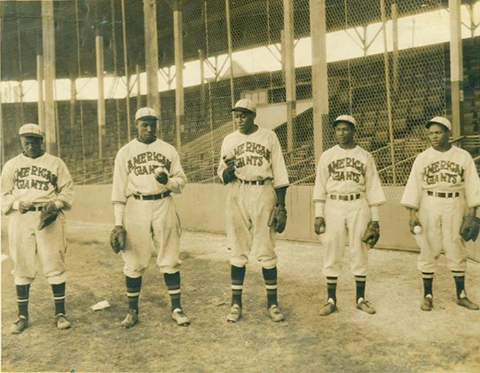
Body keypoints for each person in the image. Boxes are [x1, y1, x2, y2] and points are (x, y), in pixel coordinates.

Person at [111, 107, 190, 328]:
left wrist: (168, 181)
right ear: (136, 125)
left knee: (170, 256)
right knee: (134, 259)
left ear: (157, 124)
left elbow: (181, 182)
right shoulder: (125, 152)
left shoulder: (168, 149)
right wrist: (118, 224)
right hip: (135, 205)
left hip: (164, 202)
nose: (149, 128)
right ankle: (132, 311)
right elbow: (118, 191)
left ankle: (176, 308)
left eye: (152, 123)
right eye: (144, 124)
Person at [217, 98, 289, 323]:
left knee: (266, 250)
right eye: (236, 115)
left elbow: (280, 173)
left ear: (253, 116)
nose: (239, 119)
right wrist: (228, 170)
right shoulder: (229, 139)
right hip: (238, 192)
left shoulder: (269, 136)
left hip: (263, 191)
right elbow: (223, 177)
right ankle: (236, 304)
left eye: (244, 115)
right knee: (238, 250)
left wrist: (281, 205)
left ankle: (273, 303)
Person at [401, 116, 480, 311]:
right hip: (430, 202)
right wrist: (412, 214)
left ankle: (461, 295)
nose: (433, 136)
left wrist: (473, 213)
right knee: (428, 246)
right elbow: (414, 187)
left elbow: (472, 186)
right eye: (430, 133)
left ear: (448, 133)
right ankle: (427, 295)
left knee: (456, 245)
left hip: (455, 202)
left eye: (438, 132)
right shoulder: (423, 157)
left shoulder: (463, 156)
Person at [1, 123, 74, 334]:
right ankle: (22, 316)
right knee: (22, 264)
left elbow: (67, 190)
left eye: (34, 140)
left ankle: (60, 314)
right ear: (21, 141)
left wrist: (57, 204)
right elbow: (3, 193)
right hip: (21, 217)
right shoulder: (11, 165)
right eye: (26, 140)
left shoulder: (55, 163)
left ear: (41, 140)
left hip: (48, 216)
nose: (30, 144)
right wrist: (15, 204)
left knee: (54, 263)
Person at [313, 115, 386, 316]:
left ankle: (360, 298)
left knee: (360, 249)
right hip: (333, 204)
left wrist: (375, 220)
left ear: (354, 131)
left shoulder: (365, 156)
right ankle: (330, 299)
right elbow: (320, 187)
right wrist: (319, 214)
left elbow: (372, 189)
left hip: (358, 204)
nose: (341, 133)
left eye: (345, 129)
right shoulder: (327, 156)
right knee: (332, 248)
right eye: (338, 129)